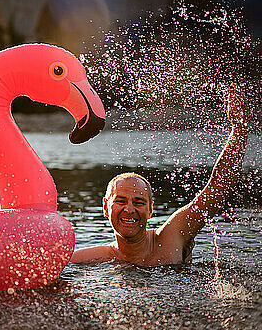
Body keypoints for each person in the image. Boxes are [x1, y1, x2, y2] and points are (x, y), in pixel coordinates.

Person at [71, 87, 248, 266]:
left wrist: (239, 131)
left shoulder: (172, 237)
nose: (129, 209)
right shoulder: (93, 258)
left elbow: (216, 191)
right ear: (106, 208)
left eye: (139, 202)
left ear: (150, 210)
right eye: (121, 201)